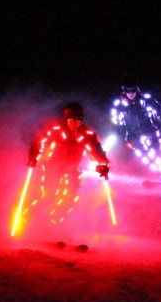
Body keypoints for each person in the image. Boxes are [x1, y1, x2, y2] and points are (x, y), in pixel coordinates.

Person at [22, 102, 112, 238]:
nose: (75, 123)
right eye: (72, 120)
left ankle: (51, 224)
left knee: (69, 198)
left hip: (71, 169)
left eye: (78, 120)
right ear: (66, 118)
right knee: (48, 196)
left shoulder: (87, 133)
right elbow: (40, 142)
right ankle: (27, 218)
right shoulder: (56, 129)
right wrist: (33, 156)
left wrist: (104, 166)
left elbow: (97, 152)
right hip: (51, 166)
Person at [109, 83, 161, 183]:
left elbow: (159, 108)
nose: (131, 94)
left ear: (137, 89)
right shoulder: (120, 104)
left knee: (159, 150)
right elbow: (115, 120)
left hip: (150, 130)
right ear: (124, 91)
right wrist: (120, 118)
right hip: (134, 135)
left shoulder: (144, 99)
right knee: (147, 155)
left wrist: (158, 113)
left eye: (133, 91)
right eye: (128, 91)